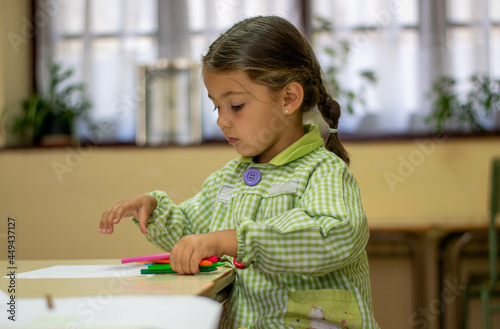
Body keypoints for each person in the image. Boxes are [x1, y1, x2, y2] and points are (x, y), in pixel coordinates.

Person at [99, 15, 379, 329]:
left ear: (288, 99)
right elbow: (194, 231)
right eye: (216, 107)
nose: (222, 121)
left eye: (236, 106)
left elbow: (332, 235)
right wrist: (155, 211)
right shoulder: (227, 179)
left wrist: (235, 240)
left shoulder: (323, 171)